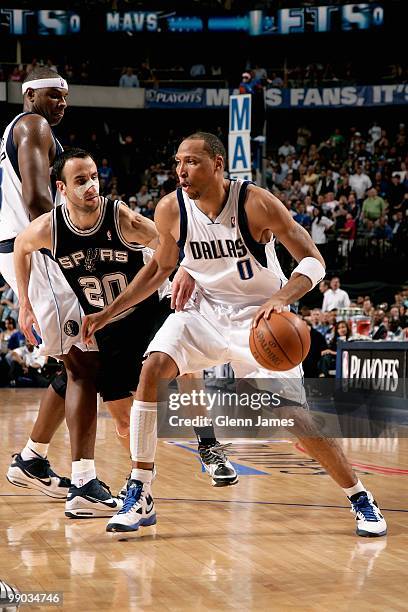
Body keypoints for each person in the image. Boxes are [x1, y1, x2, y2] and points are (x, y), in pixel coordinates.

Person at [82, 132, 387, 537]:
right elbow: (158, 269)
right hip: (204, 313)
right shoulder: (171, 209)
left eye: (191, 162)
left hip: (259, 321)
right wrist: (108, 313)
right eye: (177, 162)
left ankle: (360, 496)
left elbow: (314, 261)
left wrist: (281, 298)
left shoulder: (254, 203)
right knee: (152, 369)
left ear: (218, 164)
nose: (181, 171)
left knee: (293, 417)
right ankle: (140, 489)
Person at [13, 149, 238, 510]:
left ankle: (208, 444)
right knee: (124, 422)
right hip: (107, 328)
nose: (91, 186)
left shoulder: (121, 217)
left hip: (147, 308)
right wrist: (24, 302)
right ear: (62, 187)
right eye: (81, 180)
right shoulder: (49, 229)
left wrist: (186, 270)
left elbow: (171, 247)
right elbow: (21, 249)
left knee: (187, 363)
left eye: (94, 177)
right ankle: (141, 487)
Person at [0, 68, 121, 515]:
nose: (61, 103)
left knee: (72, 361)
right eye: (53, 95)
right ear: (29, 94)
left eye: (65, 97)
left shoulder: (21, 132)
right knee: (86, 361)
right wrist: (73, 242)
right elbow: (36, 200)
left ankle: (31, 458)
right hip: (41, 247)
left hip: (28, 248)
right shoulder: (33, 126)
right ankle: (84, 484)